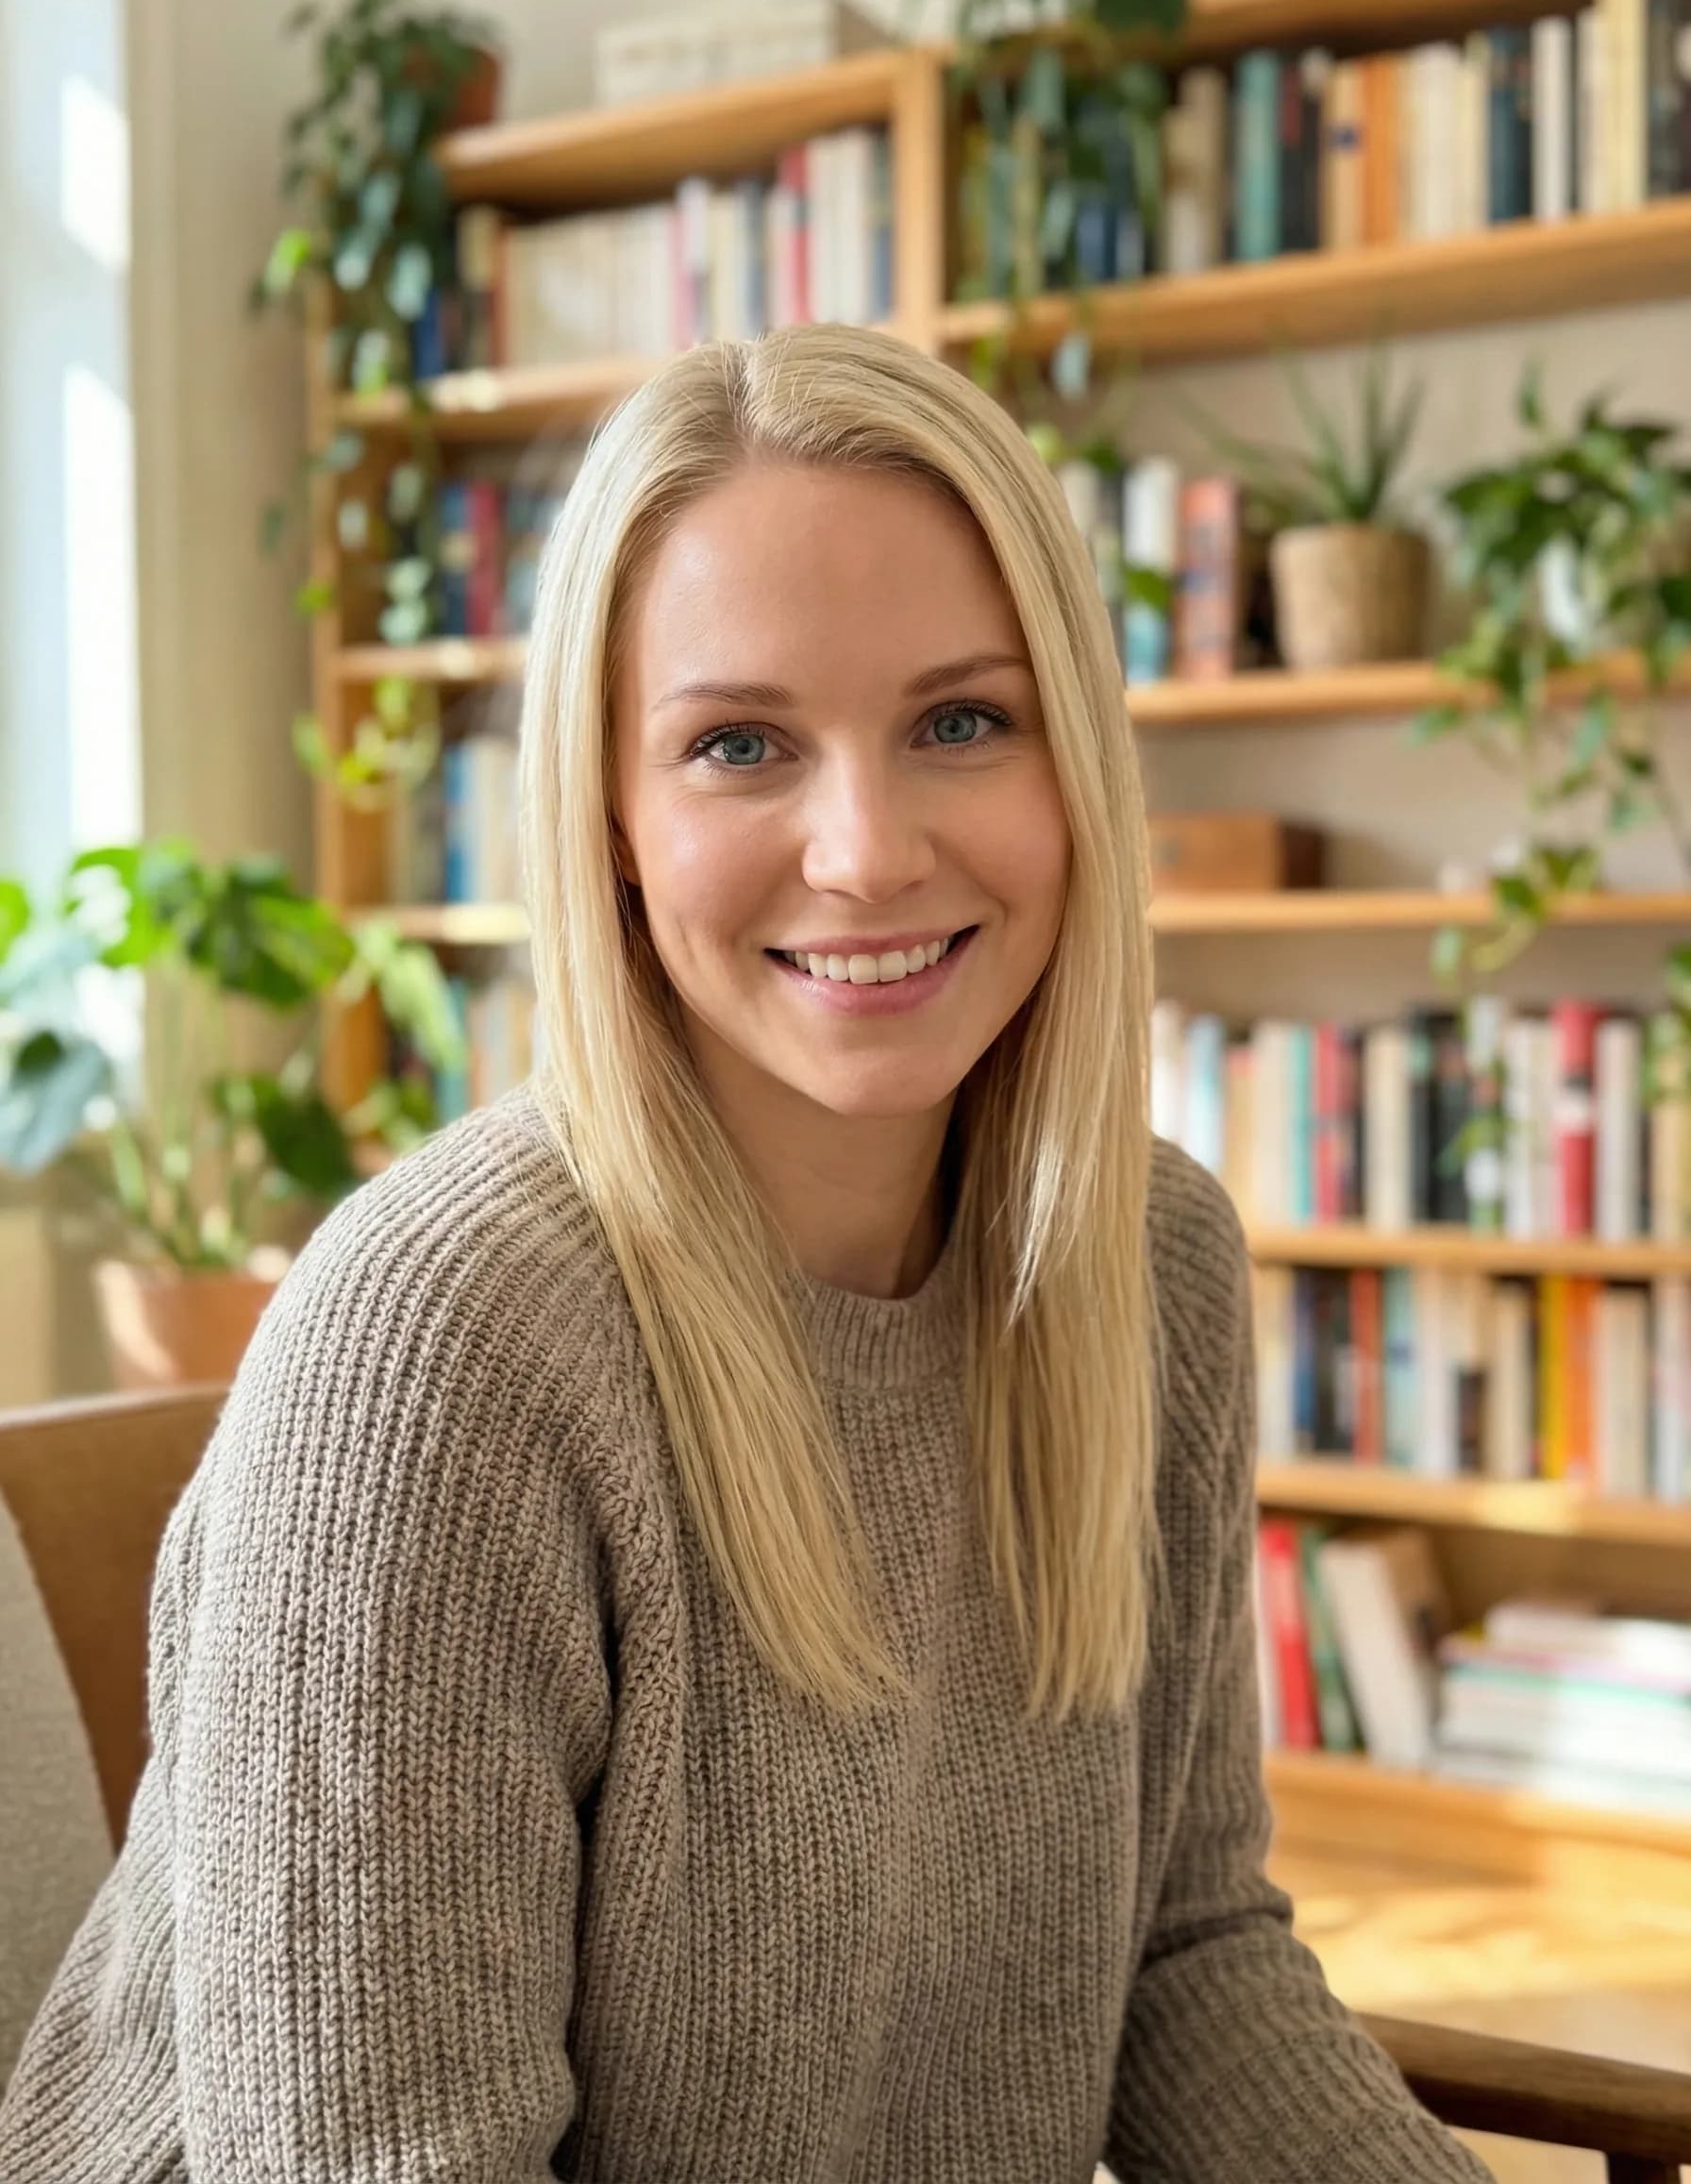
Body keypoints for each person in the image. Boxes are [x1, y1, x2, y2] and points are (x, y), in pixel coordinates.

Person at [0, 324, 1491, 2181]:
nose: (862, 853)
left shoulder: (1148, 1263)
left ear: (1075, 770)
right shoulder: (440, 1345)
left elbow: (1180, 1968)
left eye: (960, 719)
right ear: (610, 824)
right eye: (736, 745)